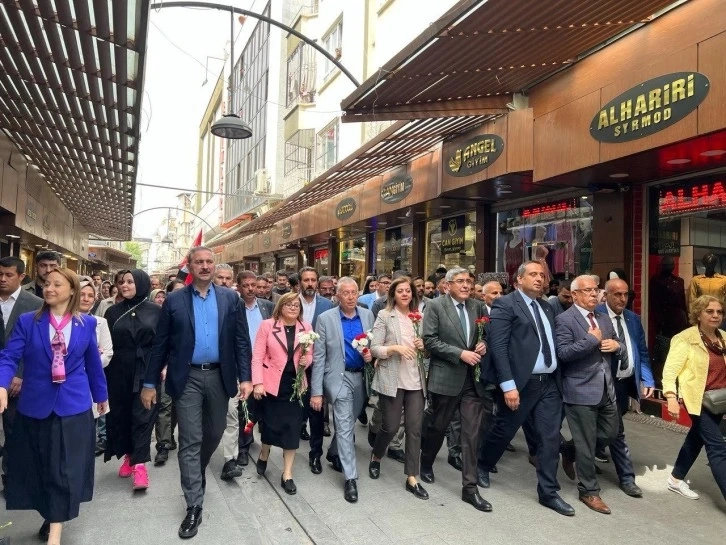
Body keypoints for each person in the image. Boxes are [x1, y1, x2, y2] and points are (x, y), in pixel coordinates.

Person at [142, 246, 252, 539]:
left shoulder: (231, 298)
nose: (205, 266)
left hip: (220, 376)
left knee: (214, 433)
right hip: (186, 376)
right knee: (190, 439)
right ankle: (193, 504)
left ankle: (196, 469)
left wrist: (247, 378)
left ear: (214, 266)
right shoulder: (175, 300)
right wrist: (150, 383)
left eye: (209, 262)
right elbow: (161, 345)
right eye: (199, 262)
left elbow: (241, 340)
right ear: (189, 266)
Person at [0, 268, 108, 545]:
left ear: (71, 290)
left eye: (57, 284)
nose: (49, 288)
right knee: (41, 467)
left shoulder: (86, 325)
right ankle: (50, 514)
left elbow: (93, 366)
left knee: (64, 468)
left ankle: (55, 535)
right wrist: (2, 385)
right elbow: (10, 356)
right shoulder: (28, 322)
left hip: (73, 407)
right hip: (35, 406)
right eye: (46, 283)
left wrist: (101, 396)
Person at [478, 261, 573, 516]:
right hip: (521, 383)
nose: (540, 279)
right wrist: (508, 386)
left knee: (549, 437)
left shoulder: (546, 306)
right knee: (504, 429)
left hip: (549, 383)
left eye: (542, 275)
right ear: (518, 280)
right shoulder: (506, 304)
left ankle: (548, 492)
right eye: (533, 274)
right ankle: (483, 464)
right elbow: (498, 347)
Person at [420, 267, 491, 512]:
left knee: (471, 434)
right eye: (460, 281)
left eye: (468, 281)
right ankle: (426, 462)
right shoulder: (436, 306)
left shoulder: (477, 306)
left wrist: (482, 344)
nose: (465, 285)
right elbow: (429, 340)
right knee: (438, 427)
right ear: (447, 285)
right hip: (446, 377)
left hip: (473, 381)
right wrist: (460, 353)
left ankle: (470, 489)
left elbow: (486, 335)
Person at [555, 274, 621, 515]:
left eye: (596, 289)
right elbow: (563, 353)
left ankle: (569, 450)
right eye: (588, 290)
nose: (595, 294)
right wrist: (589, 341)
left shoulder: (603, 318)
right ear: (575, 295)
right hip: (579, 389)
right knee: (586, 443)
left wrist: (617, 346)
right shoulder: (565, 320)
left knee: (610, 432)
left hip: (606, 388)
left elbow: (615, 341)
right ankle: (589, 491)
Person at [310, 277, 374, 503]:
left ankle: (334, 452)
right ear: (337, 296)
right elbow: (319, 357)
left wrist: (370, 354)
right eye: (345, 293)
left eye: (353, 292)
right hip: (339, 378)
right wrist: (316, 391)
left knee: (351, 419)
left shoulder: (367, 315)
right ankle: (351, 478)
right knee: (345, 425)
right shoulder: (326, 318)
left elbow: (372, 345)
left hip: (361, 377)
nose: (349, 297)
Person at [593, 278, 654, 497]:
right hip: (600, 383)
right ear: (606, 295)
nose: (622, 299)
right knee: (616, 431)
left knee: (608, 429)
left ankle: (573, 449)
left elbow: (642, 352)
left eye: (626, 294)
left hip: (624, 383)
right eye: (617, 294)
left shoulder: (633, 319)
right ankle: (627, 477)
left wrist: (647, 379)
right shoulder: (595, 315)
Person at [369, 277, 428, 499]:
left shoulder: (419, 317)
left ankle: (412, 477)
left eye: (408, 291)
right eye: (400, 291)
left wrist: (424, 346)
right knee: (391, 427)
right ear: (393, 295)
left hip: (415, 379)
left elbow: (427, 347)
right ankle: (376, 455)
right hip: (392, 379)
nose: (405, 294)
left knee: (414, 429)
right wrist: (395, 348)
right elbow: (374, 348)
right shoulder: (385, 316)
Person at [663, 295, 726, 502]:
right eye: (710, 311)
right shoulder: (685, 339)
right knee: (717, 449)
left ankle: (675, 479)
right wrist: (671, 397)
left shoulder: (724, 337)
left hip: (720, 400)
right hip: (698, 401)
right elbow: (670, 372)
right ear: (698, 314)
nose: (715, 315)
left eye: (719, 311)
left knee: (696, 439)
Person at [103, 270, 161, 491]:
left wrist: (160, 369)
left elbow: (162, 344)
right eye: (121, 282)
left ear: (141, 283)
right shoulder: (112, 312)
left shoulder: (156, 311)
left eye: (130, 281)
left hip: (147, 371)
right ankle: (128, 455)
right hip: (118, 371)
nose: (124, 285)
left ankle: (140, 466)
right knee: (122, 415)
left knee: (143, 417)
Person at [252, 292, 314, 494]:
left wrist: (307, 361)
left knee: (292, 428)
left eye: (296, 305)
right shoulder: (267, 326)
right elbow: (257, 356)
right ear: (280, 306)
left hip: (296, 385)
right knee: (270, 427)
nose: (293, 308)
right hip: (272, 385)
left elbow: (310, 353)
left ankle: (287, 473)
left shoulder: (306, 328)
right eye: (288, 304)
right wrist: (258, 383)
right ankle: (264, 452)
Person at [220, 271, 273, 472]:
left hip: (264, 364)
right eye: (246, 285)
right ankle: (243, 446)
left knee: (260, 405)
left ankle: (255, 436)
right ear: (239, 287)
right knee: (244, 406)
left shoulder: (267, 307)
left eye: (254, 284)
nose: (251, 289)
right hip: (241, 363)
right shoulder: (234, 307)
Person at [0, 256, 43, 492]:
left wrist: (21, 374)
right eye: (0, 274)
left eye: (8, 275)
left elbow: (37, 345)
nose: (3, 279)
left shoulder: (34, 303)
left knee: (14, 431)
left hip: (17, 380)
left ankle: (12, 478)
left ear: (21, 276)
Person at [295, 267, 334, 471]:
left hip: (318, 366)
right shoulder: (291, 302)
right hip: (295, 366)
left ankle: (316, 454)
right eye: (306, 280)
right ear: (300, 282)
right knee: (294, 408)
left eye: (313, 280)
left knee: (316, 410)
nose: (309, 283)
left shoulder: (327, 305)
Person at [78, 276, 114, 453]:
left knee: (88, 427)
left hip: (91, 381)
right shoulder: (61, 321)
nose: (85, 299)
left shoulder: (100, 322)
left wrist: (89, 361)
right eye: (81, 294)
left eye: (90, 295)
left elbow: (107, 353)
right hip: (66, 382)